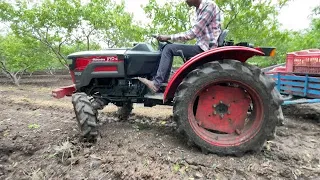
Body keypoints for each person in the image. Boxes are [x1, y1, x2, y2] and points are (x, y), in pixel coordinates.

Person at [138, 0, 222, 93]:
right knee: (166, 47)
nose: (185, 1)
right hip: (203, 46)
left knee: (168, 48)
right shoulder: (199, 9)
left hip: (206, 49)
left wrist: (169, 36)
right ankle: (162, 84)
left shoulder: (208, 6)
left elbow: (192, 33)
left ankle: (156, 84)